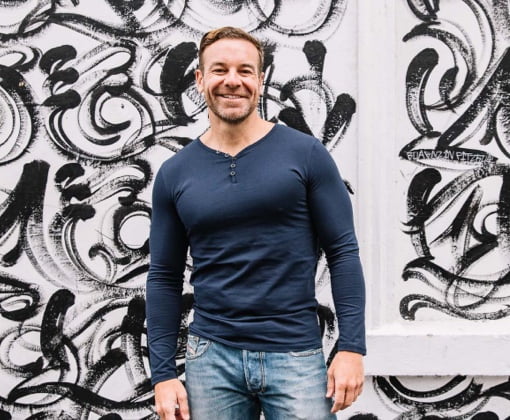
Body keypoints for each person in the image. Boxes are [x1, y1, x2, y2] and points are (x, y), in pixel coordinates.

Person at [146, 26, 366, 420]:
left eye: (245, 71)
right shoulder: (175, 174)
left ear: (260, 80)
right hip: (210, 358)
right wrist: (163, 375)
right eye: (219, 70)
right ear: (200, 79)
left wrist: (351, 347)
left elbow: (343, 252)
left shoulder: (306, 154)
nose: (233, 80)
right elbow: (164, 275)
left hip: (295, 354)